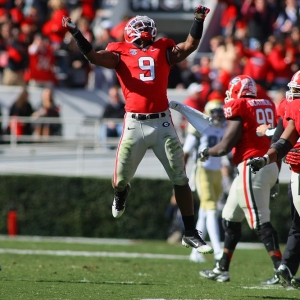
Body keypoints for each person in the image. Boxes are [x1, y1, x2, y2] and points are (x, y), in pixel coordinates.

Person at [62, 6, 214, 254]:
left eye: (146, 27)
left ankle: (189, 231)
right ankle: (122, 192)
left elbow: (189, 46)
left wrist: (198, 20)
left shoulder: (163, 48)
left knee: (180, 178)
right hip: (134, 123)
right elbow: (93, 57)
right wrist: (77, 33)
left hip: (163, 122)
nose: (144, 30)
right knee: (120, 179)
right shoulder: (119, 51)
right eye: (140, 27)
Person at [197, 75, 283, 284]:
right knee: (230, 216)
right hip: (268, 164)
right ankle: (222, 268)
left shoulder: (240, 105)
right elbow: (275, 139)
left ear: (237, 91)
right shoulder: (268, 103)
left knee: (260, 222)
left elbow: (226, 144)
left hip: (251, 166)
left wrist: (208, 151)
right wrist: (276, 174)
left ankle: (283, 271)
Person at [248, 70, 300, 289]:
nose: (293, 95)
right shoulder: (292, 107)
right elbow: (284, 140)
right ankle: (287, 267)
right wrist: (265, 159)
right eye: (294, 90)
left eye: (298, 91)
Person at [183, 100, 227, 264]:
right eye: (215, 112)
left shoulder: (223, 127)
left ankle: (195, 252)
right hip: (202, 171)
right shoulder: (199, 127)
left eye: (220, 112)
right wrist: (182, 175)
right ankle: (217, 250)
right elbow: (186, 151)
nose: (218, 115)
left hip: (217, 172)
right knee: (211, 210)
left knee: (204, 211)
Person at [100, 85, 125, 149]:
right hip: (109, 126)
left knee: (122, 129)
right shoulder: (108, 106)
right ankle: (106, 149)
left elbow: (124, 116)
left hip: (120, 124)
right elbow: (103, 117)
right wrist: (109, 122)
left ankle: (120, 149)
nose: (114, 97)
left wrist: (116, 122)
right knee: (102, 130)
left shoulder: (124, 106)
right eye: (112, 96)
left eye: (115, 95)